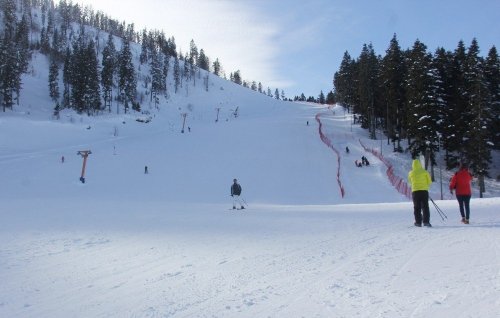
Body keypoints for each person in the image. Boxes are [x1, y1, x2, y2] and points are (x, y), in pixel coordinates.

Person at [408, 159, 432, 227]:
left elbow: (410, 182)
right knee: (425, 207)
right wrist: (425, 186)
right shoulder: (425, 172)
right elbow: (429, 181)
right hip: (424, 191)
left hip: (415, 191)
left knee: (416, 207)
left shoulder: (411, 173)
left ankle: (418, 222)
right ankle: (426, 222)